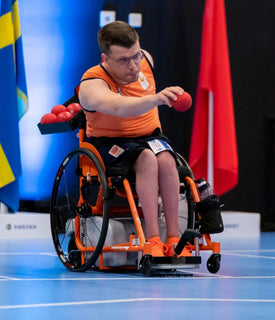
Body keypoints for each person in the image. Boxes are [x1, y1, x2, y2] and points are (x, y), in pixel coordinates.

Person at [77, 20, 190, 257]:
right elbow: (119, 107)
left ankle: (175, 240)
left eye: (136, 56)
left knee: (167, 159)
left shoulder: (146, 60)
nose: (134, 66)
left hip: (149, 137)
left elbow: (140, 65)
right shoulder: (92, 83)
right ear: (105, 59)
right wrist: (157, 99)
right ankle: (153, 240)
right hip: (110, 144)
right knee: (147, 158)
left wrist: (162, 96)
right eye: (124, 60)